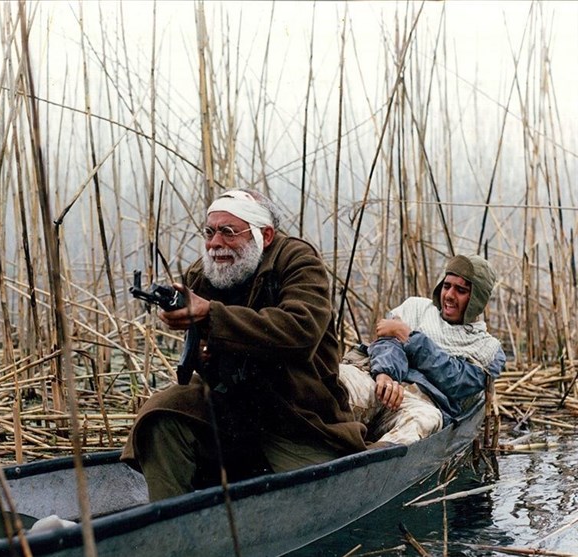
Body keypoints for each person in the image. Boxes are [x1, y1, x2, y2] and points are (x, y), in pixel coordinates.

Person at [121, 189, 368, 501]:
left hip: (296, 415)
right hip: (231, 410)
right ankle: (170, 525)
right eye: (209, 232)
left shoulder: (297, 261)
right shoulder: (202, 274)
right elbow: (204, 359)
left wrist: (210, 315)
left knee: (319, 499)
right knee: (162, 415)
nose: (214, 244)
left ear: (264, 235)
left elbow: (300, 331)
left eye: (228, 232)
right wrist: (199, 345)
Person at [339, 254, 506, 445]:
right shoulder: (416, 308)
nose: (449, 295)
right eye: (446, 286)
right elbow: (388, 342)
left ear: (477, 298)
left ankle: (372, 462)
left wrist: (408, 336)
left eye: (461, 290)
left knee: (420, 424)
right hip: (383, 382)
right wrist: (386, 374)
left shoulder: (488, 350)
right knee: (339, 382)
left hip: (424, 404)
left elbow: (455, 381)